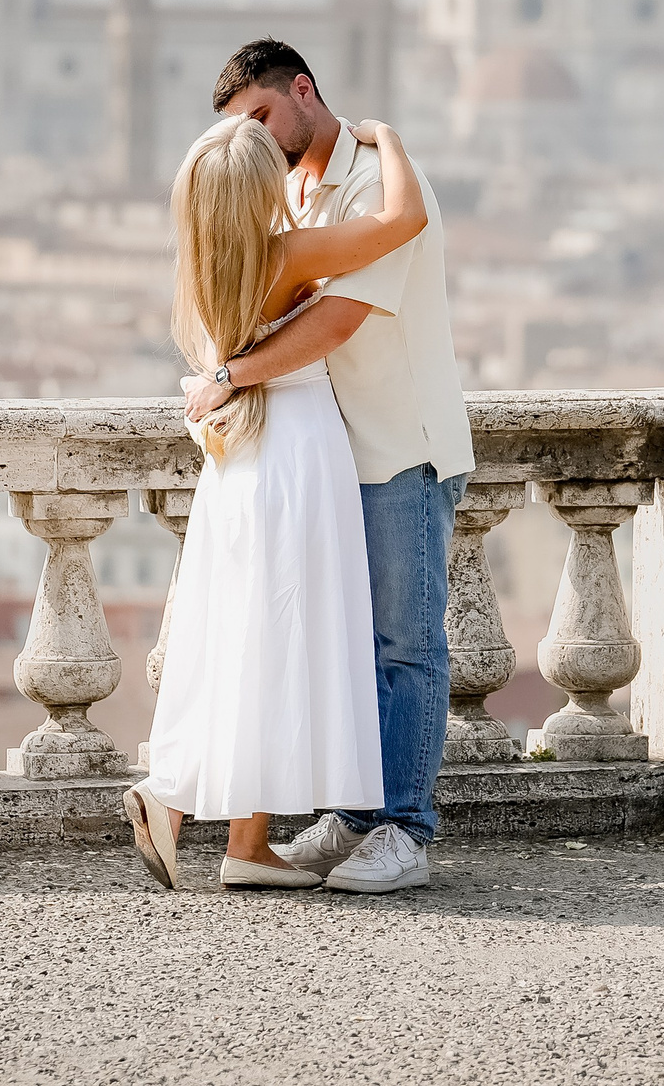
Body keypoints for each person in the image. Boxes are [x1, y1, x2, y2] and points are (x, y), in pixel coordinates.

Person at [187, 39, 473, 896]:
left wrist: (230, 376)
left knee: (406, 643)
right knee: (350, 642)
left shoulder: (374, 180)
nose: (257, 140)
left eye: (262, 116)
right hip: (333, 453)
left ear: (303, 90)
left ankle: (407, 829)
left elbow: (340, 318)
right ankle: (356, 815)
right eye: (241, 129)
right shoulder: (293, 191)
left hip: (399, 446)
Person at [124, 108, 434, 891]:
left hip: (235, 471)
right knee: (281, 637)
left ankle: (236, 834)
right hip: (295, 453)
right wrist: (386, 137)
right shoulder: (287, 254)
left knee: (240, 637)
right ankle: (203, 816)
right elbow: (404, 217)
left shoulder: (199, 271)